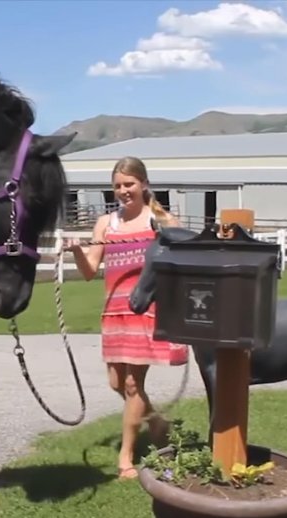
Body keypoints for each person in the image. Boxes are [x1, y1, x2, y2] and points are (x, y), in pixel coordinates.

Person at [65, 156, 189, 480]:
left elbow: (182, 262)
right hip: (113, 311)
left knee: (134, 384)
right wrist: (78, 250)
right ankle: (157, 421)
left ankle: (126, 458)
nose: (123, 190)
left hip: (145, 309)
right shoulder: (107, 224)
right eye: (118, 185)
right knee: (116, 383)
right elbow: (90, 271)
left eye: (129, 184)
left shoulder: (160, 221)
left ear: (144, 184)